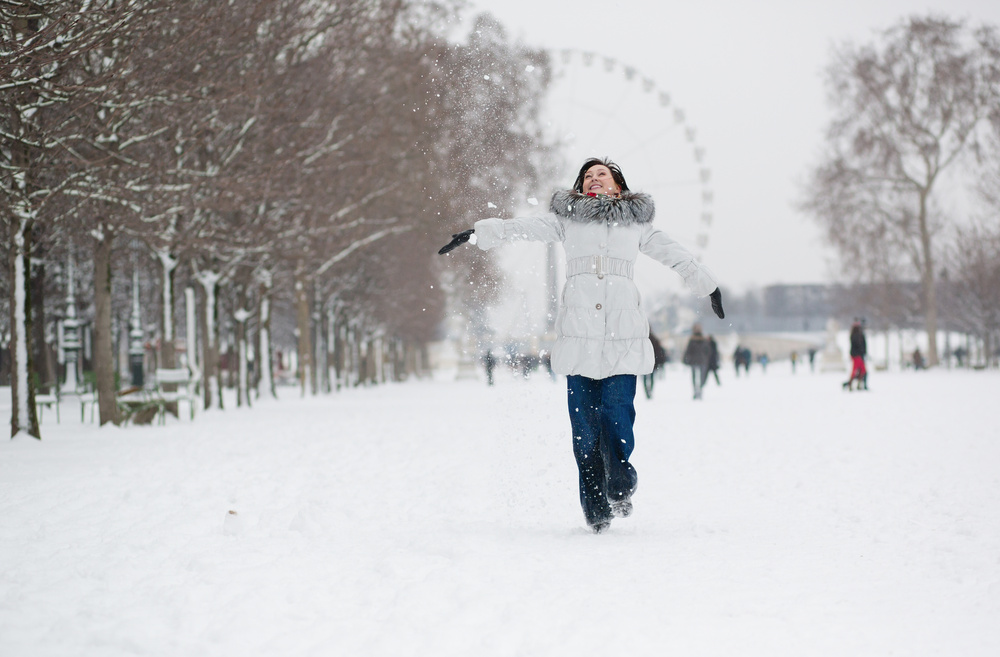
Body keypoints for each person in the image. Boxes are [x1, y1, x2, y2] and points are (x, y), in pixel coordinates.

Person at [438, 157, 724, 533]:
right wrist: (478, 233)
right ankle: (595, 507)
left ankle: (620, 482)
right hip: (579, 338)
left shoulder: (639, 226)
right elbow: (519, 229)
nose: (594, 180)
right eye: (587, 176)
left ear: (617, 185)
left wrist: (709, 285)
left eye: (601, 175)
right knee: (584, 430)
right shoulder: (566, 221)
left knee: (617, 414)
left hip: (622, 338)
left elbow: (678, 256)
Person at [683, 325, 712, 400]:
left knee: (694, 377)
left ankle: (696, 390)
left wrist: (685, 359)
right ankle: (700, 389)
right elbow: (708, 351)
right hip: (703, 361)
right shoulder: (704, 340)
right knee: (701, 377)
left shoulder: (692, 340)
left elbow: (688, 351)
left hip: (694, 361)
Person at [642, 329, 668, 399]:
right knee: (651, 378)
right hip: (652, 362)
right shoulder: (654, 339)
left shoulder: (642, 339)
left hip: (645, 362)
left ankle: (647, 391)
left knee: (645, 378)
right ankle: (650, 390)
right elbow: (659, 351)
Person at [843, 320, 868, 391]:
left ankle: (857, 384)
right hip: (856, 355)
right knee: (856, 371)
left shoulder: (859, 334)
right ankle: (850, 384)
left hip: (858, 355)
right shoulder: (854, 335)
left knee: (862, 370)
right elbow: (857, 346)